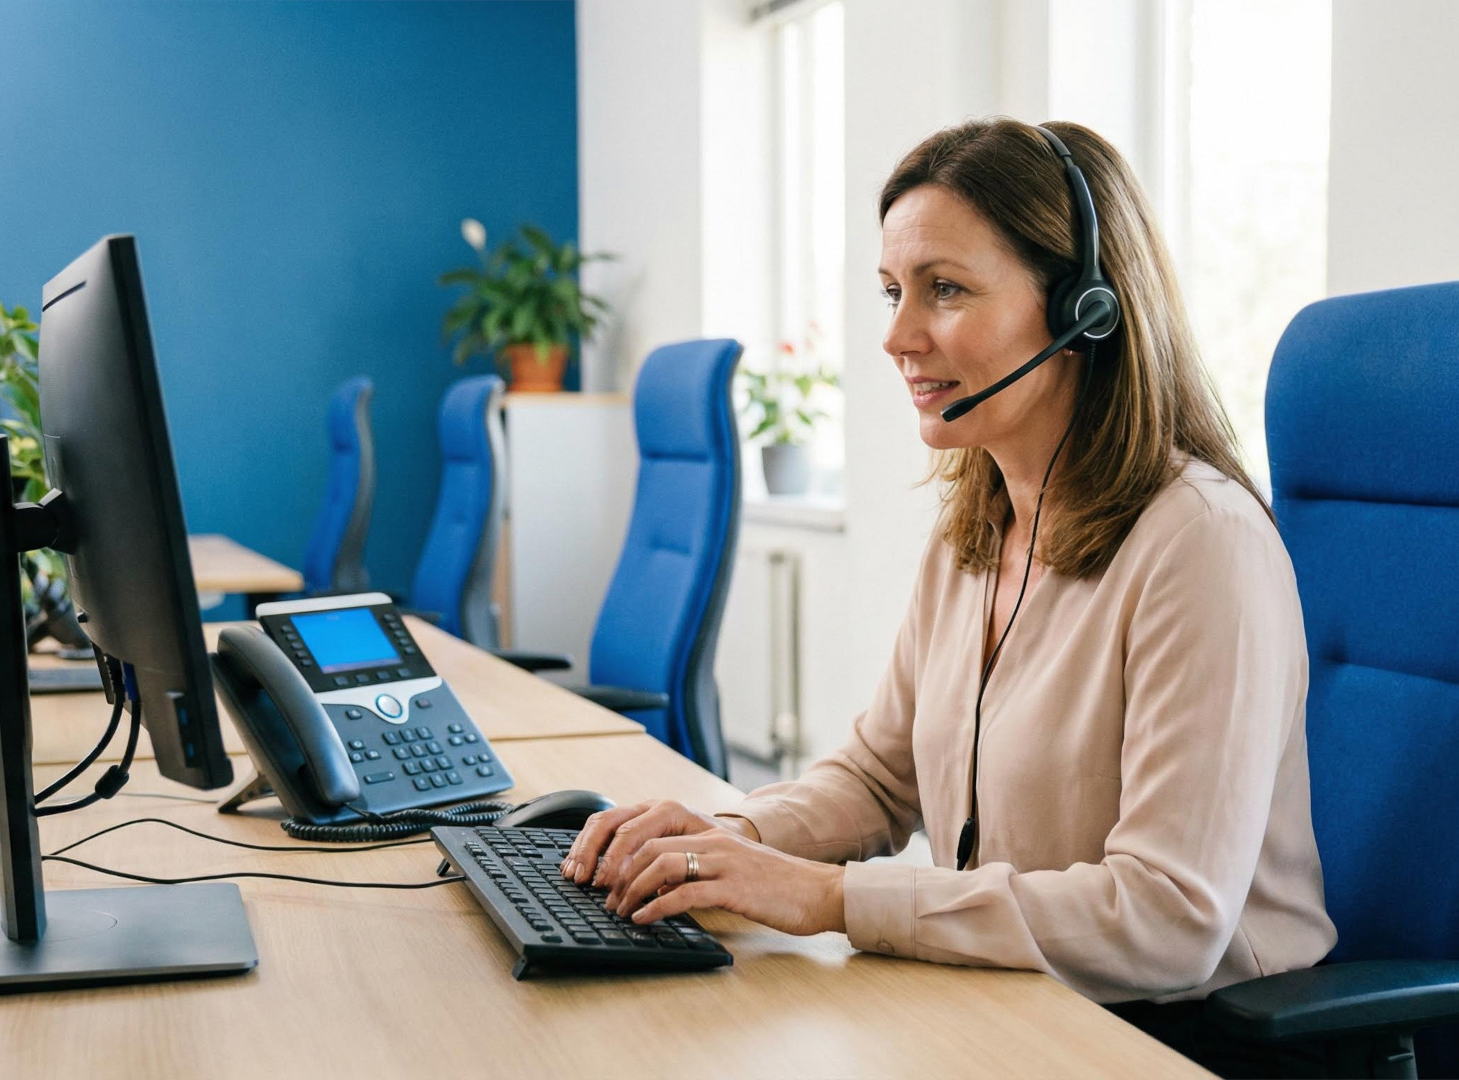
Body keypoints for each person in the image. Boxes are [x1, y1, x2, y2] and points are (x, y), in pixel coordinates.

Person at [562, 118, 1336, 1076]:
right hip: (1013, 1007)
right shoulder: (978, 526)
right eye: (893, 292)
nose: (896, 336)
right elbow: (881, 779)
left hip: (1179, 1040)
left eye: (945, 290)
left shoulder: (1200, 544)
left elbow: (1168, 919)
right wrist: (734, 839)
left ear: (1084, 309)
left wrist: (831, 900)